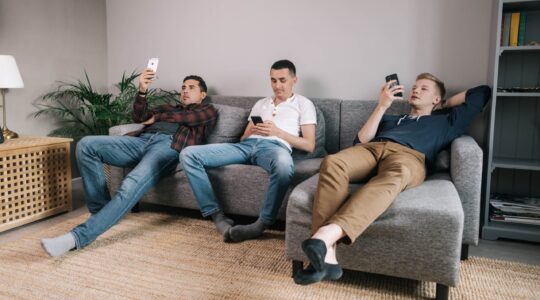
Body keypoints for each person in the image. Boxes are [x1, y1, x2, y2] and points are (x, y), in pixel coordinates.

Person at [293, 73, 491, 285]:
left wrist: (445, 103)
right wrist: (382, 106)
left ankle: (324, 237)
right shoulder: (391, 118)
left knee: (396, 176)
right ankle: (327, 255)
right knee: (333, 162)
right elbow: (359, 141)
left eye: (424, 89)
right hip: (373, 148)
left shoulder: (446, 121)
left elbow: (482, 93)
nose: (415, 90)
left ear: (436, 99)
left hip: (410, 157)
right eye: (415, 87)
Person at [41, 70, 217, 257]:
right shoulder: (167, 107)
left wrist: (157, 118)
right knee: (86, 145)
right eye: (183, 87)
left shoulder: (208, 110)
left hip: (168, 146)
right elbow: (139, 118)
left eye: (191, 88)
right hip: (140, 141)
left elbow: (188, 119)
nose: (185, 91)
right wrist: (142, 90)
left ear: (202, 95)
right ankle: (101, 213)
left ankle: (75, 238)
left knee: (130, 183)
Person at [180, 59, 317, 242]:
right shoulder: (261, 104)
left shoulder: (303, 104)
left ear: (294, 80)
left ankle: (261, 224)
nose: (277, 85)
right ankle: (217, 216)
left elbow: (309, 144)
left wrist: (277, 132)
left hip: (274, 148)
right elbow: (243, 138)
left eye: (282, 80)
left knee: (284, 166)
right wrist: (251, 130)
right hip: (246, 146)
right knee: (188, 154)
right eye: (273, 80)